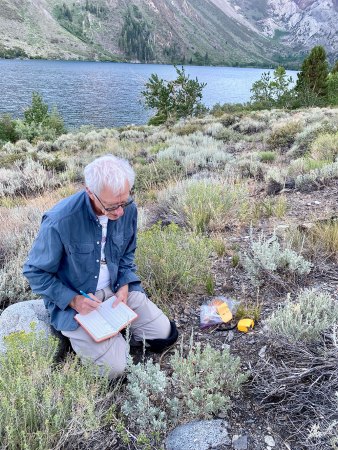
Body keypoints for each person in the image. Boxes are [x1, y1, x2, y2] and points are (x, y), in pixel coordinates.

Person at [23, 154, 178, 379]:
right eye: (112, 206)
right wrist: (74, 300)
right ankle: (90, 339)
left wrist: (125, 283)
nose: (120, 212)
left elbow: (126, 254)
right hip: (80, 301)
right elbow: (34, 272)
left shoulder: (128, 209)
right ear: (90, 192)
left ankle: (110, 337)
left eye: (124, 202)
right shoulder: (60, 221)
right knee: (117, 370)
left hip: (116, 292)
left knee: (165, 336)